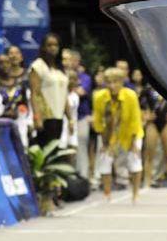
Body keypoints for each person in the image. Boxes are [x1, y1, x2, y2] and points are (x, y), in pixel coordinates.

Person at [92, 67, 143, 202]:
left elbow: (135, 119)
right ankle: (107, 193)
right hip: (109, 134)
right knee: (104, 159)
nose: (112, 85)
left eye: (115, 82)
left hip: (130, 132)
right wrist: (104, 143)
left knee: (134, 160)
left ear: (122, 82)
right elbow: (98, 121)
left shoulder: (131, 95)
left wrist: (133, 144)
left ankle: (135, 193)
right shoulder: (99, 97)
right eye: (109, 82)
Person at [29, 33, 69, 146]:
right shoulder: (38, 66)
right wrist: (37, 117)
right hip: (45, 116)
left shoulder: (61, 69)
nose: (53, 48)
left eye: (56, 45)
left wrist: (70, 118)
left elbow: (64, 95)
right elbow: (34, 94)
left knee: (56, 152)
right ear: (43, 47)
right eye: (49, 45)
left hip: (59, 117)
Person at [61, 49, 92, 180]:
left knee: (80, 148)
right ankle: (66, 178)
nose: (69, 62)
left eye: (72, 60)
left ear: (77, 61)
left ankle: (83, 178)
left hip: (80, 117)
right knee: (64, 149)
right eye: (67, 59)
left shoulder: (84, 77)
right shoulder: (59, 74)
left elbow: (81, 92)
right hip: (62, 119)